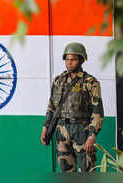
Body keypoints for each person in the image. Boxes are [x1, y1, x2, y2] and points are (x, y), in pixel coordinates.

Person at [40, 42, 104, 172]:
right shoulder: (59, 80)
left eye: (73, 59)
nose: (69, 63)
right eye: (67, 59)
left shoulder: (90, 82)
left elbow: (97, 111)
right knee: (65, 169)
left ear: (81, 60)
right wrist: (45, 127)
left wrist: (92, 136)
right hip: (61, 130)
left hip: (82, 130)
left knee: (87, 169)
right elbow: (51, 106)